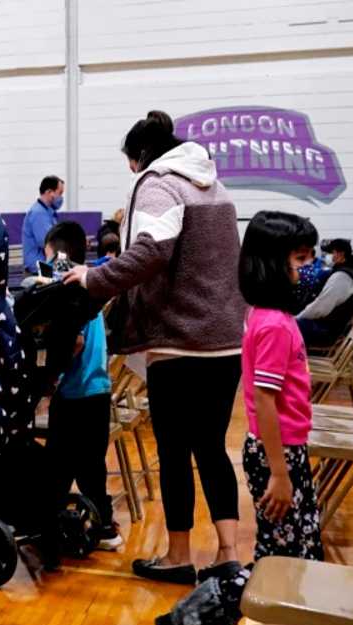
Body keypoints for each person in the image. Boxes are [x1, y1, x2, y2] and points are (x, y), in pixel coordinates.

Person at [63, 110, 245, 585]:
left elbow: (151, 251)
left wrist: (94, 278)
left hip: (180, 341)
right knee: (212, 448)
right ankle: (228, 553)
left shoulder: (160, 182)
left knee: (175, 450)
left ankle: (178, 555)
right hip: (225, 341)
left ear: (141, 157)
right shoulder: (215, 187)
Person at [154, 210, 324, 625]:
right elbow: (266, 401)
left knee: (297, 555)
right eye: (298, 259)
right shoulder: (273, 325)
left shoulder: (271, 318)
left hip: (282, 454)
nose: (305, 269)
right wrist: (280, 473)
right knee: (279, 565)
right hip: (279, 456)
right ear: (273, 264)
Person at [44, 222, 120, 550]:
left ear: (59, 258)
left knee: (58, 464)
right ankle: (105, 527)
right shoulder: (90, 288)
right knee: (92, 465)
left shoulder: (71, 295)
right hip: (99, 391)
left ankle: (50, 520)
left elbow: (73, 343)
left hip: (75, 392)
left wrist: (50, 375)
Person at [296, 250, 353, 349]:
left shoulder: (343, 277)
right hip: (333, 332)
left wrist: (296, 319)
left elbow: (320, 308)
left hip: (324, 332)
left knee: (284, 327)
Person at [23, 176, 64, 274]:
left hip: (45, 265)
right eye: (60, 193)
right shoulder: (39, 213)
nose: (61, 198)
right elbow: (47, 243)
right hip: (38, 269)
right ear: (49, 192)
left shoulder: (48, 212)